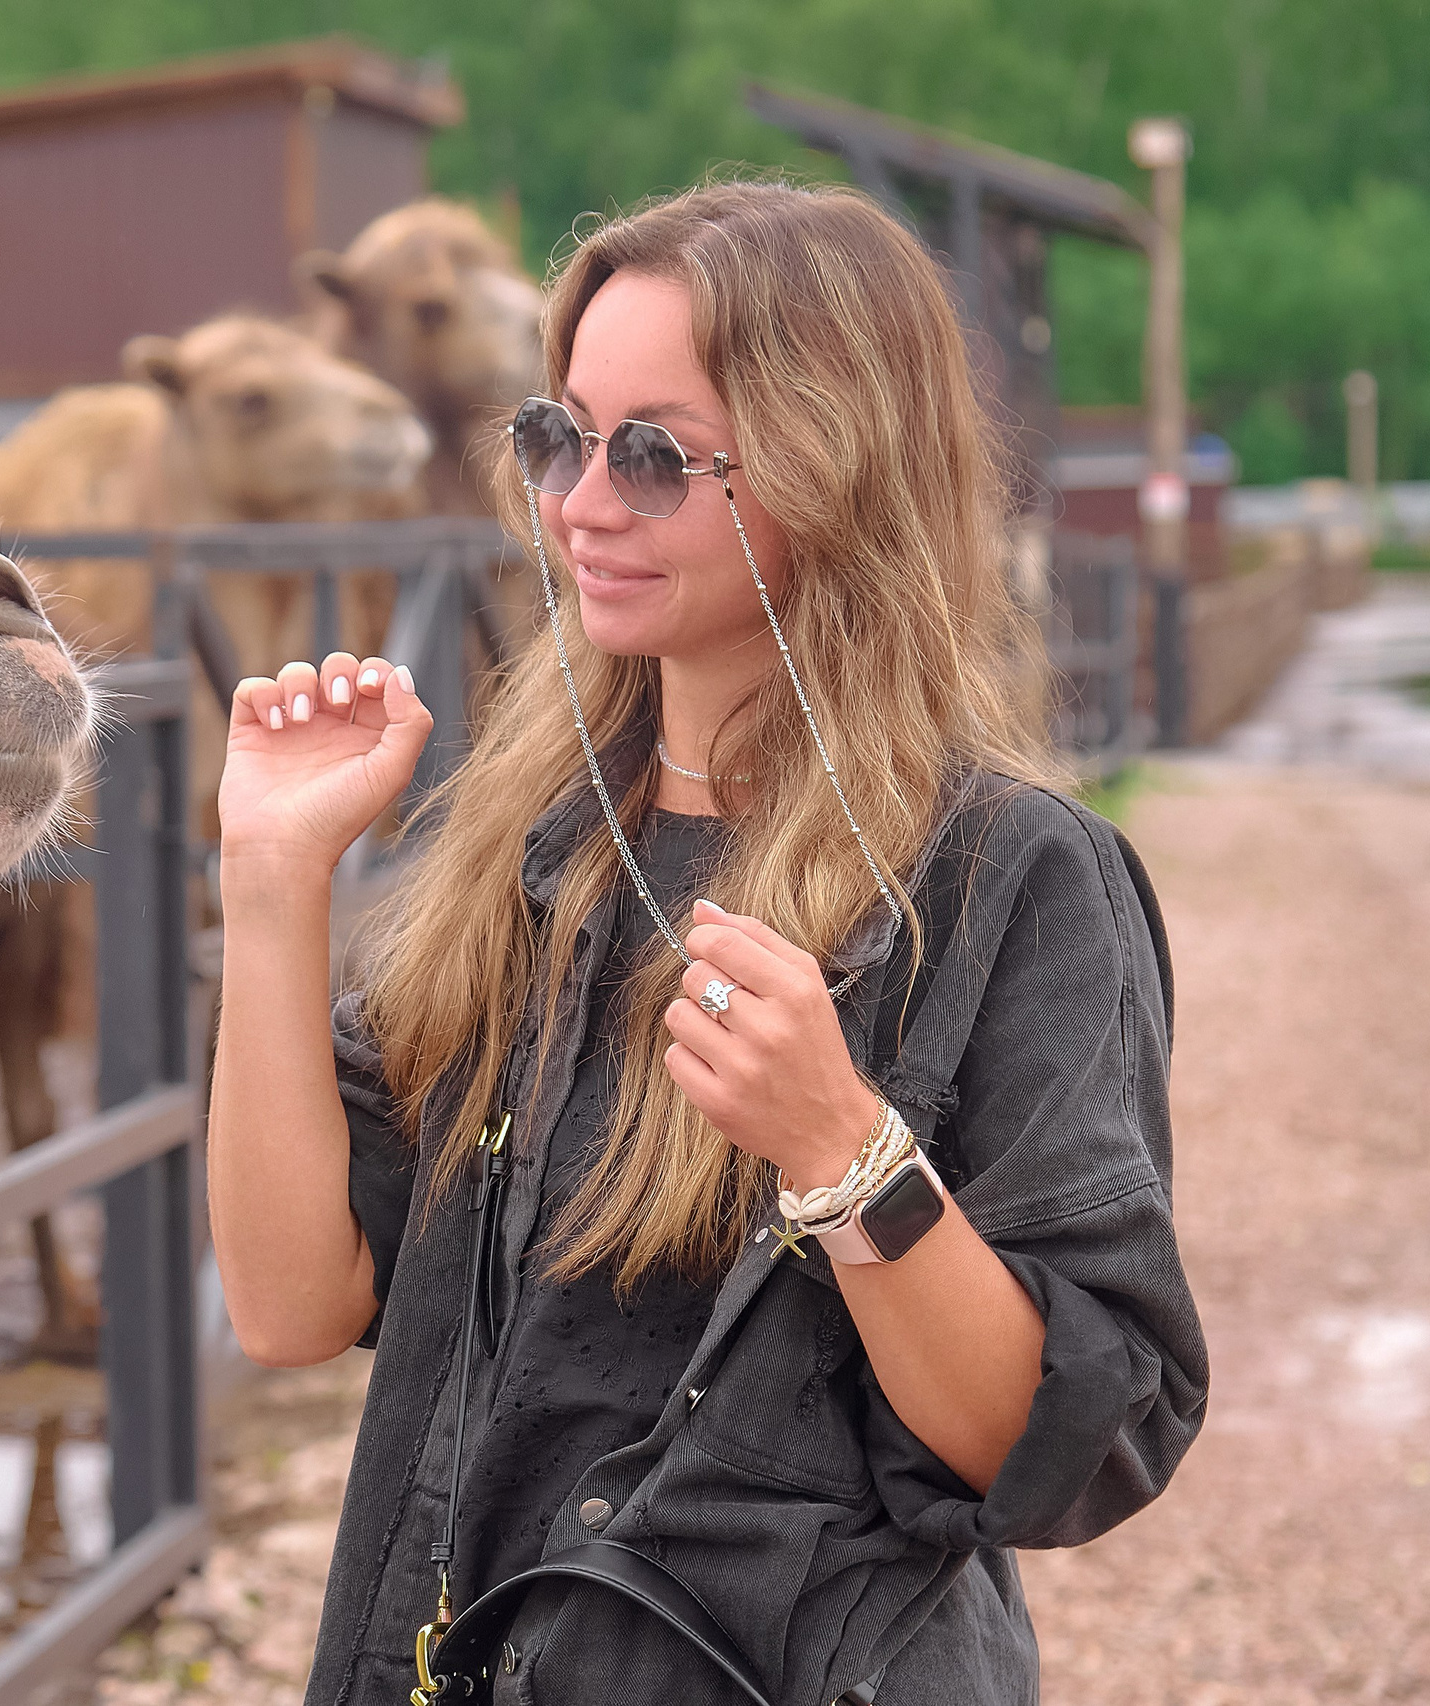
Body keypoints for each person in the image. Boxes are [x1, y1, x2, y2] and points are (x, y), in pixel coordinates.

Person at [207, 178, 1207, 1706]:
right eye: (560, 436)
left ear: (836, 465)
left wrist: (845, 1152)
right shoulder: (528, 851)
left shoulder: (1012, 879)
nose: (581, 504)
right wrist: (272, 879)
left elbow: (1066, 1454)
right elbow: (291, 1305)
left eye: (656, 456)